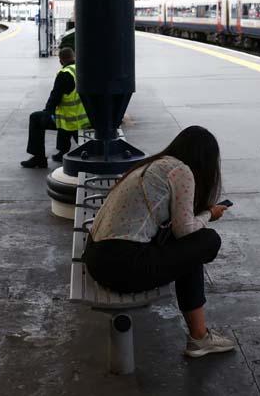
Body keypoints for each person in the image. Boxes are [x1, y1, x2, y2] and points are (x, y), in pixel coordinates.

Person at [83, 126, 235, 358]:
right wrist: (209, 215)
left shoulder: (157, 163)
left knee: (189, 249)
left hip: (96, 255)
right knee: (205, 240)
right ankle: (199, 337)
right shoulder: (182, 171)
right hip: (120, 265)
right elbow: (185, 231)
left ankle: (199, 336)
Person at [21, 47, 89, 169]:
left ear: (61, 61)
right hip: (85, 119)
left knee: (36, 118)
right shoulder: (83, 69)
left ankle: (39, 158)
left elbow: (55, 97)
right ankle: (62, 152)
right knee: (61, 118)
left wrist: (47, 112)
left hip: (71, 121)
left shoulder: (65, 74)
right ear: (74, 57)